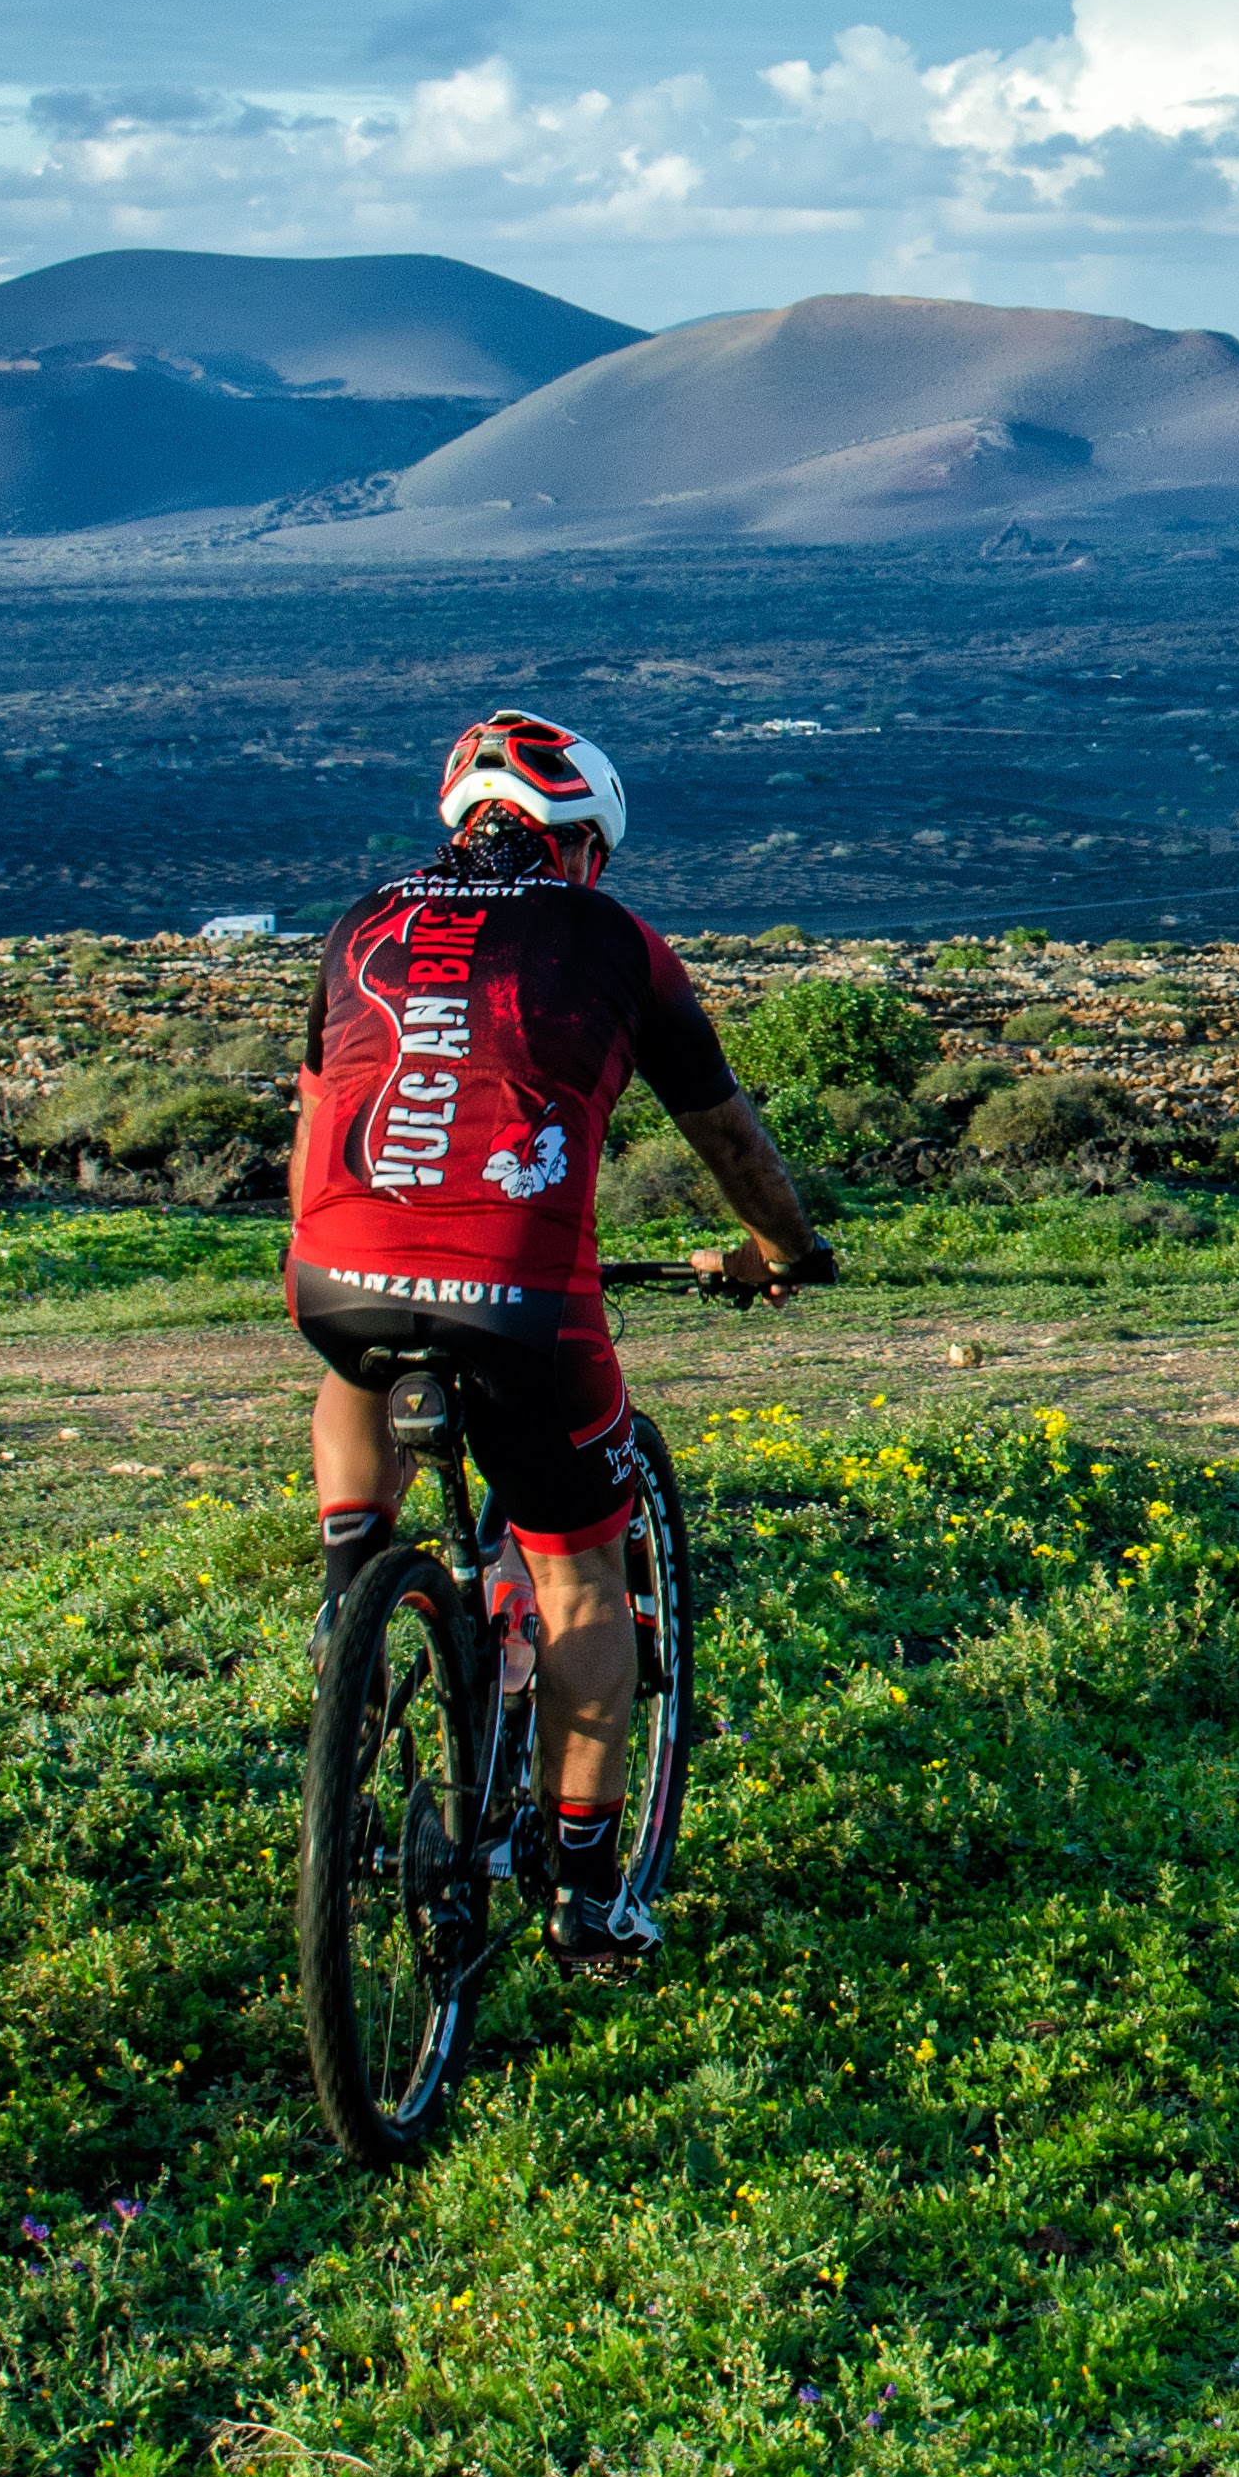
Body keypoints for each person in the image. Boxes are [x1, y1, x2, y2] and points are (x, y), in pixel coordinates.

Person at [286, 708, 838, 1965]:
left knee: (353, 1354)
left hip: (331, 1270)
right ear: (583, 845)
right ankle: (587, 1892)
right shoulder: (611, 939)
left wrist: (339, 1252)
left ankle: (347, 1591)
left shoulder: (357, 924)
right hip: (521, 1298)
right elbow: (726, 1137)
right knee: (578, 1571)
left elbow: (319, 1119)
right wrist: (786, 1252)